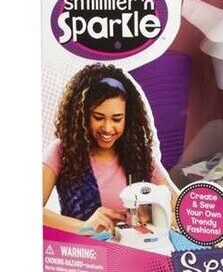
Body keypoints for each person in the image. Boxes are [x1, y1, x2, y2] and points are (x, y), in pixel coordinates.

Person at [43, 63, 175, 235]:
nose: (107, 128)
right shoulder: (62, 151)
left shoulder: (139, 156)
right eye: (98, 117)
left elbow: (180, 210)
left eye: (117, 119)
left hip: (130, 249)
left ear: (128, 118)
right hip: (81, 250)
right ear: (82, 115)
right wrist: (84, 227)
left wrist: (153, 213)